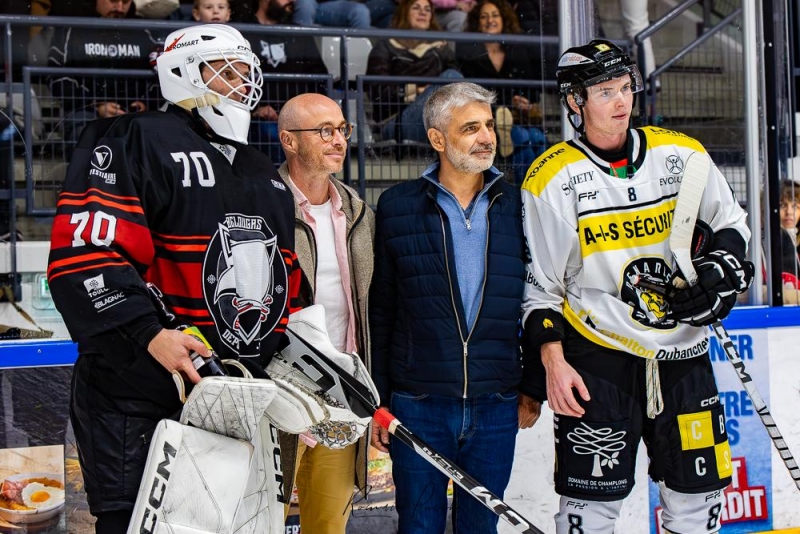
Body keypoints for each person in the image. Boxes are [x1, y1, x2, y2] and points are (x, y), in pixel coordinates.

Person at [47, 24, 298, 533]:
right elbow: (86, 255)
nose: (241, 80)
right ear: (181, 75)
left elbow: (282, 285)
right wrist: (149, 333)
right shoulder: (138, 138)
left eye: (246, 68)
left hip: (231, 400)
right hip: (139, 393)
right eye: (223, 69)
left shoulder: (263, 171)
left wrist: (293, 378)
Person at [520, 39, 754, 534]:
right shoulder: (551, 180)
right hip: (599, 362)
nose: (622, 101)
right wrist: (553, 363)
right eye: (605, 91)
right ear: (574, 103)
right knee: (590, 509)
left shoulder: (682, 154)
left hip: (685, 361)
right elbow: (540, 290)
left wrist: (716, 277)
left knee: (699, 501)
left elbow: (731, 225)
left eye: (626, 87)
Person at [369, 81, 541, 534]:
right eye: (470, 128)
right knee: (419, 525)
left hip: (497, 399)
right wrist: (379, 400)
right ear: (438, 139)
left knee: (481, 528)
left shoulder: (519, 206)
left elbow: (540, 299)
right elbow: (383, 307)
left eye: (488, 125)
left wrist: (532, 386)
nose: (487, 136)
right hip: (419, 402)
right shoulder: (397, 206)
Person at [276, 93, 375, 533]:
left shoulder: (358, 212)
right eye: (324, 131)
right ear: (289, 141)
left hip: (340, 401)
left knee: (328, 526)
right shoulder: (262, 206)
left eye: (342, 129)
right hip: (277, 401)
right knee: (260, 521)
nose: (338, 140)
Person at [47, 0, 159, 151]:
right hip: (86, 113)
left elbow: (159, 76)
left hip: (133, 115)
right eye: (113, 0)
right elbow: (56, 77)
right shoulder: (74, 29)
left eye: (125, 2)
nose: (119, 8)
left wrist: (147, 102)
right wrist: (96, 105)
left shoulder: (144, 31)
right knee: (85, 134)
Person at [456, 0, 547, 185]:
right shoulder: (468, 49)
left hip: (516, 115)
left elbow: (532, 89)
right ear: (477, 22)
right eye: (484, 16)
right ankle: (527, 192)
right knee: (523, 138)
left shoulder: (517, 47)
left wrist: (525, 102)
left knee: (539, 138)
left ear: (504, 18)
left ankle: (537, 189)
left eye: (495, 15)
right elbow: (469, 91)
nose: (490, 20)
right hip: (484, 116)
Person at [241, 0, 329, 163]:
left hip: (299, 121)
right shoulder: (241, 32)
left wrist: (302, 112)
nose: (292, 1)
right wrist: (254, 110)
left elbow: (320, 79)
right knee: (276, 137)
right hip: (254, 120)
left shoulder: (298, 33)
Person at [366, 0, 462, 144]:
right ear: (404, 12)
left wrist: (428, 91)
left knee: (457, 81)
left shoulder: (440, 48)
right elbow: (379, 92)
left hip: (436, 117)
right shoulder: (385, 46)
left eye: (427, 9)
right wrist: (417, 91)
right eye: (416, 8)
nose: (423, 12)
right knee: (451, 78)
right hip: (396, 122)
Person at [291, 0, 371, 28]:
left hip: (334, 5)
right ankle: (299, 56)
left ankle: (359, 61)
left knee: (359, 12)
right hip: (307, 3)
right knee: (305, 5)